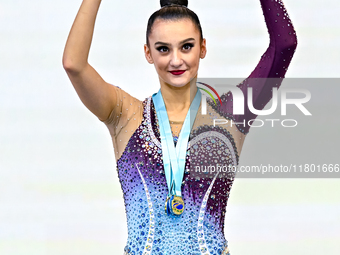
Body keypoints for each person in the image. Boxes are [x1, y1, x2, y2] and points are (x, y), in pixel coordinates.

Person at [62, 0, 297, 254]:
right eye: (163, 49)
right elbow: (74, 64)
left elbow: (284, 45)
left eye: (186, 46)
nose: (176, 60)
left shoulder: (230, 116)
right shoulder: (124, 114)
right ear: (148, 52)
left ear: (203, 47)